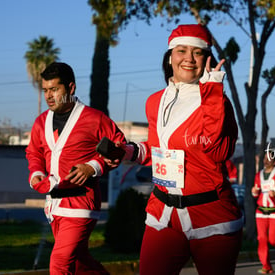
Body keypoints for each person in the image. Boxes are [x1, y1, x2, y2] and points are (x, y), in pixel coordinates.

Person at [105, 24, 243, 275]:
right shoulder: (155, 101)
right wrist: (130, 152)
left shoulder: (217, 101)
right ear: (170, 56)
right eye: (181, 50)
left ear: (206, 59)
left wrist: (212, 94)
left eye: (197, 52)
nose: (189, 58)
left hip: (212, 216)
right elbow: (159, 148)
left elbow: (217, 151)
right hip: (163, 214)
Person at [26, 62, 126, 274]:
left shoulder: (95, 118)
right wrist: (36, 173)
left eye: (55, 89)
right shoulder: (40, 122)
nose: (49, 96)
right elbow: (34, 152)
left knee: (60, 262)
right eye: (45, 90)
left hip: (82, 200)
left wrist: (94, 166)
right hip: (54, 203)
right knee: (79, 261)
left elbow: (119, 147)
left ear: (71, 88)